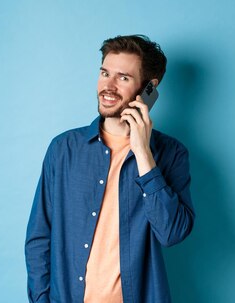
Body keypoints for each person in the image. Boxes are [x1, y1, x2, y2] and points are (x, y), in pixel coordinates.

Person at [25, 35, 195, 303]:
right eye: (105, 73)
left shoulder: (171, 154)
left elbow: (172, 233)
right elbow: (39, 237)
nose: (108, 86)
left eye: (123, 78)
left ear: (148, 89)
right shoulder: (63, 149)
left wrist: (142, 152)